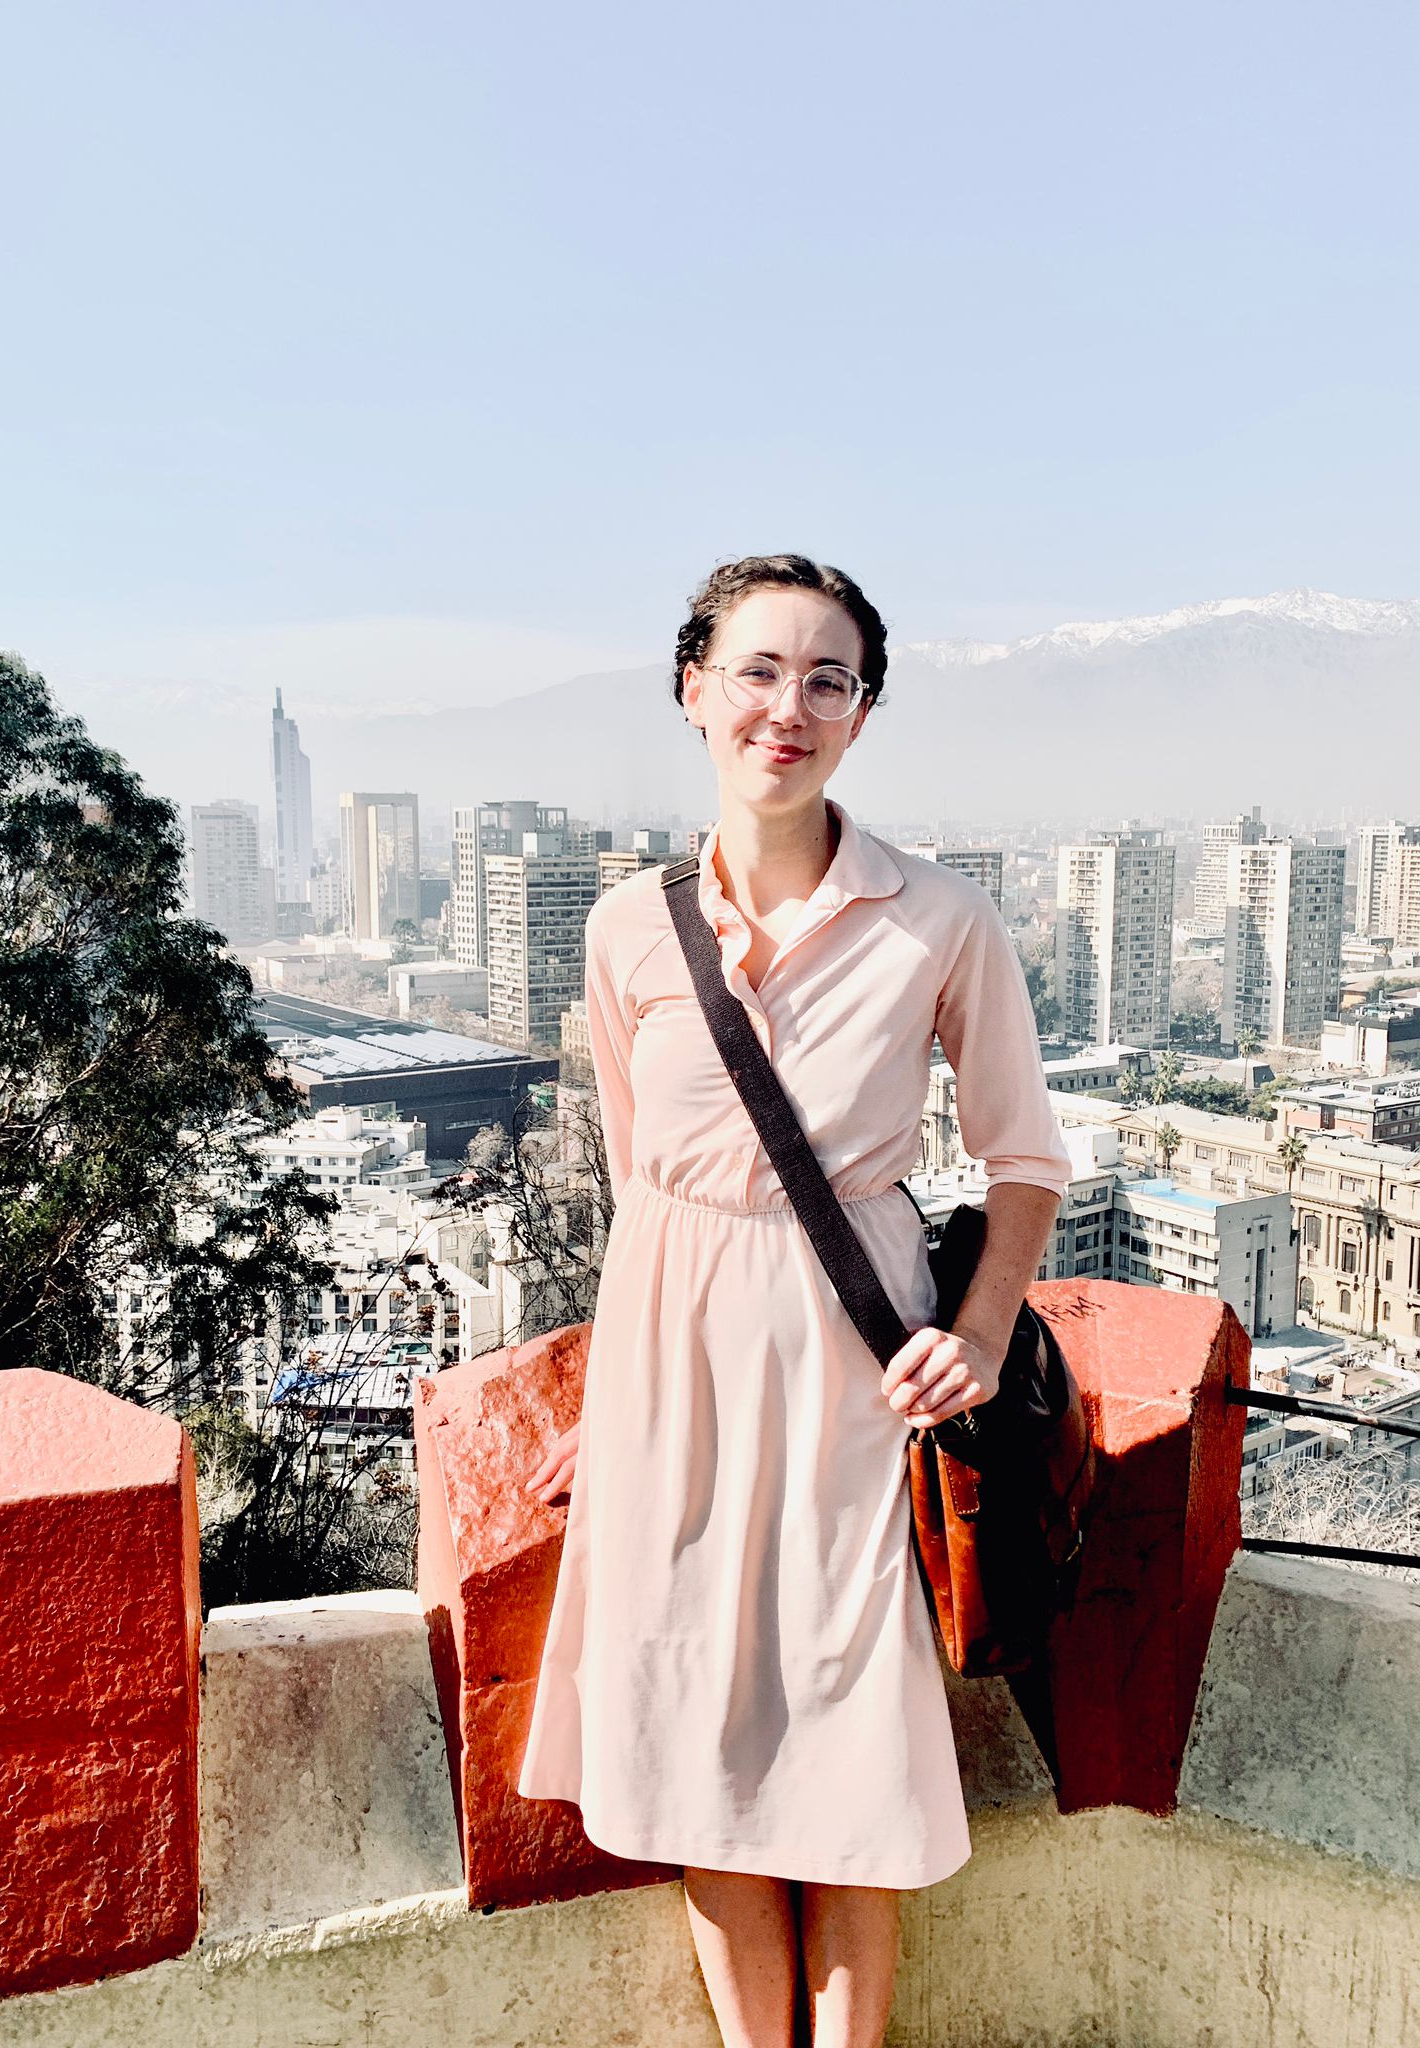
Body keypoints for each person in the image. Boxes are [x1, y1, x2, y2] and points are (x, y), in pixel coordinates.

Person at [515, 553, 1071, 2048]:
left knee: (849, 1735)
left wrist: (982, 1328)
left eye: (828, 679)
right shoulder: (629, 929)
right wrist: (601, 1398)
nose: (789, 706)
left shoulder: (941, 919)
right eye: (758, 671)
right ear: (694, 690)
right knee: (699, 1728)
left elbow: (1025, 1166)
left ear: (862, 718)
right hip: (674, 1375)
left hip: (855, 1374)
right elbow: (648, 1191)